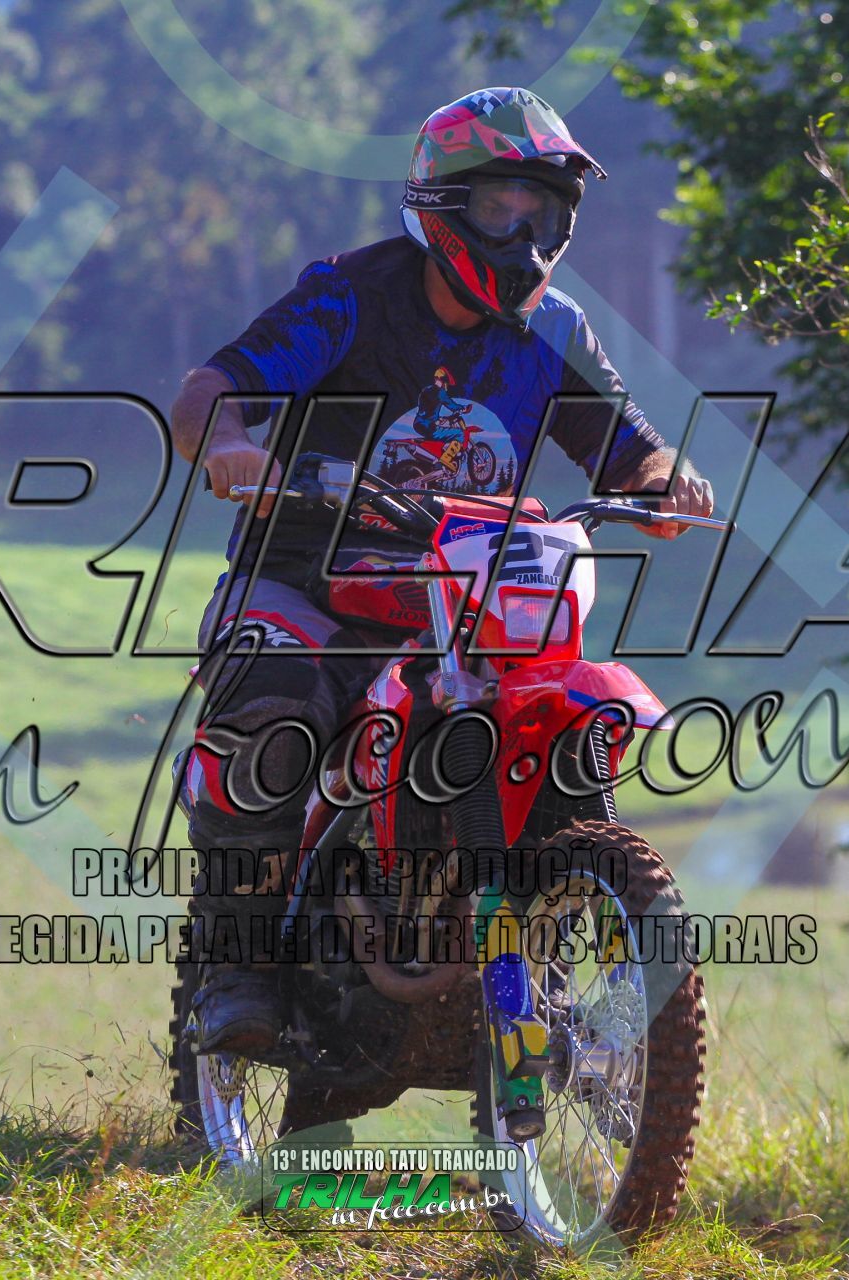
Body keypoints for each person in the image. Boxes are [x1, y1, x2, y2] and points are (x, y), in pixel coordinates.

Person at [168, 87, 714, 1053]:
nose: (525, 237)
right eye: (502, 208)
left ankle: (546, 953)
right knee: (277, 711)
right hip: (307, 584)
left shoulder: (555, 328)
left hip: (469, 605)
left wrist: (665, 480)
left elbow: (628, 447)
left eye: (544, 213)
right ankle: (238, 966)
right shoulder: (351, 297)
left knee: (560, 724)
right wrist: (229, 445)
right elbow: (214, 386)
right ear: (443, 208)